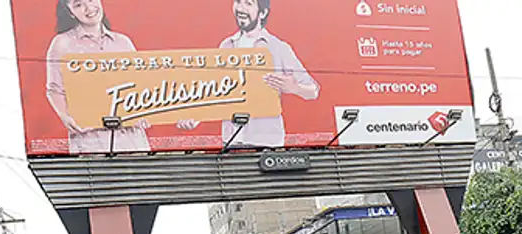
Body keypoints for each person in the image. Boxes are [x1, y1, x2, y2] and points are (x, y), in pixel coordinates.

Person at [177, 0, 320, 147]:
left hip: (266, 143)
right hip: (231, 141)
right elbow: (216, 94)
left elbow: (313, 91)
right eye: (238, 2)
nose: (241, 8)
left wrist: (294, 87)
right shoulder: (226, 46)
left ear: (262, 13)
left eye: (248, 3)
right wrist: (195, 117)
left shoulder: (278, 47)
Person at [46, 0, 151, 154]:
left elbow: (139, 86)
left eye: (91, 0)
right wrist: (65, 116)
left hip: (131, 138)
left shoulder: (123, 42)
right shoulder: (63, 43)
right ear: (70, 12)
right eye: (78, 4)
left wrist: (146, 112)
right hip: (91, 140)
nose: (89, 8)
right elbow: (55, 89)